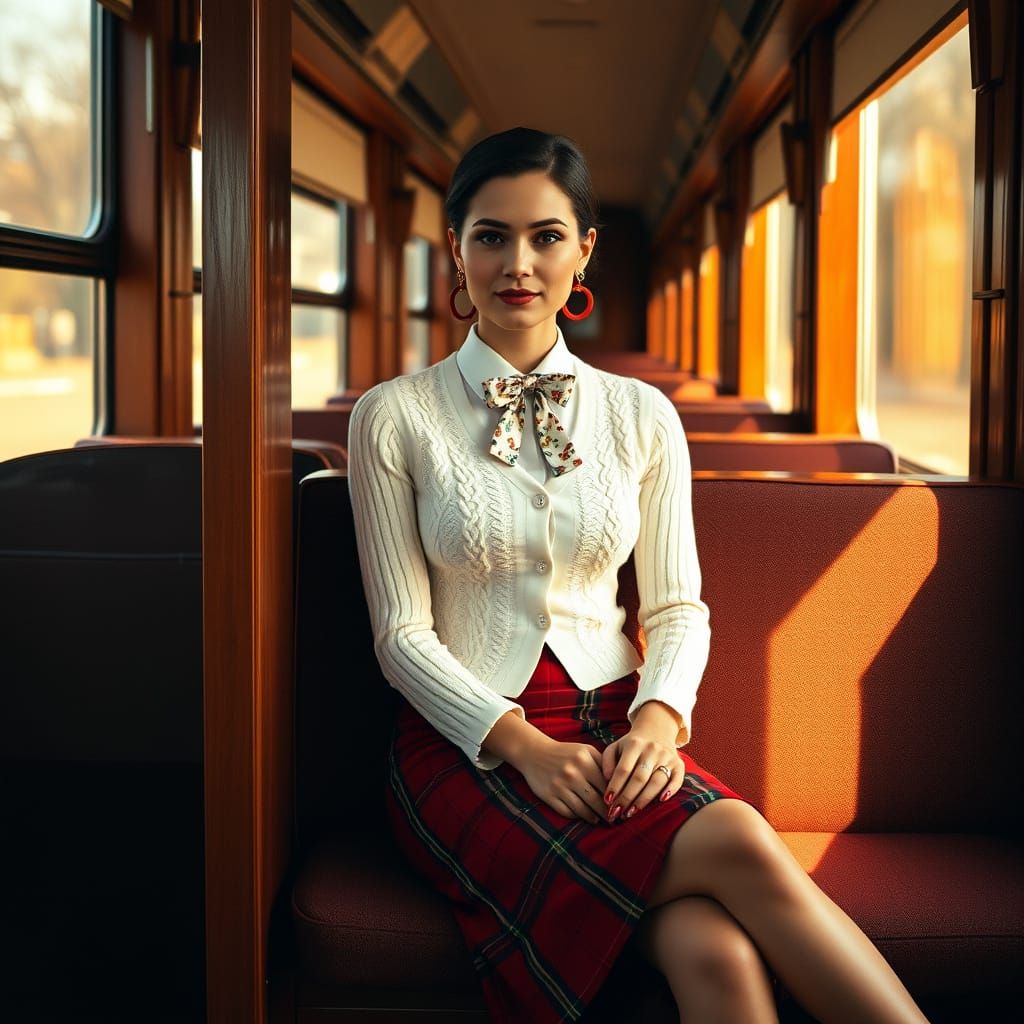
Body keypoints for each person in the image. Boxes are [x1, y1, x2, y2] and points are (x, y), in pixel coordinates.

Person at [347, 127, 931, 1024]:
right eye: (490, 235)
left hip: (615, 724)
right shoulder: (393, 418)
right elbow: (401, 638)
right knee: (735, 835)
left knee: (717, 951)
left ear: (584, 249)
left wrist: (659, 722)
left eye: (546, 236)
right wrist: (524, 749)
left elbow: (676, 606)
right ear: (455, 248)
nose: (518, 263)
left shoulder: (642, 415)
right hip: (462, 749)